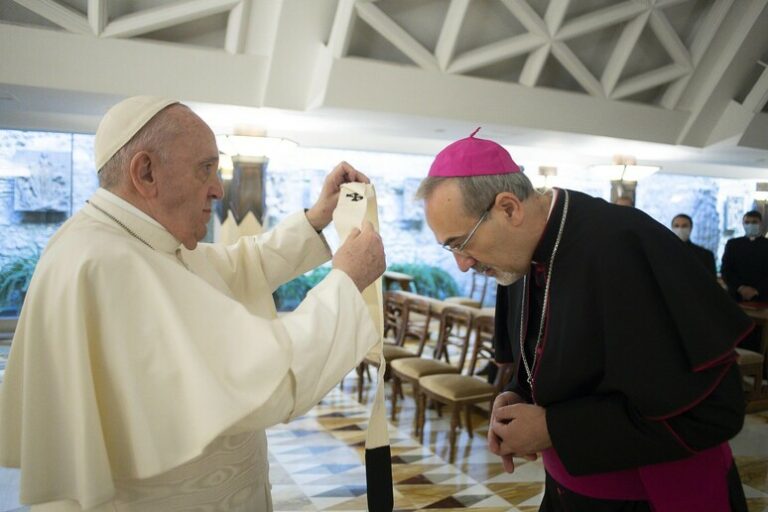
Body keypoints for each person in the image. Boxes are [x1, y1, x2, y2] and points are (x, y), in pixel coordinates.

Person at [0, 96, 386, 511]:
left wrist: (317, 217)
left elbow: (239, 265)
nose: (219, 189)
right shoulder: (107, 260)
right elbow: (266, 379)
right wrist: (346, 282)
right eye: (205, 169)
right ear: (146, 172)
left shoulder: (129, 240)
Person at [416, 129, 752, 511]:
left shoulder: (623, 247)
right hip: (568, 492)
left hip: (652, 497)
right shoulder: (515, 259)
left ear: (509, 208)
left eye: (461, 242)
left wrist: (551, 428)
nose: (463, 264)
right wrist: (518, 395)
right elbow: (549, 356)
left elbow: (715, 411)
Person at [721, 210, 768, 303]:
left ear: (761, 224)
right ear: (743, 224)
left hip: (763, 296)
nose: (750, 225)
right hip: (736, 296)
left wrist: (756, 290)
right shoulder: (733, 244)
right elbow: (726, 270)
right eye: (747, 222)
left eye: (754, 222)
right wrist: (741, 288)